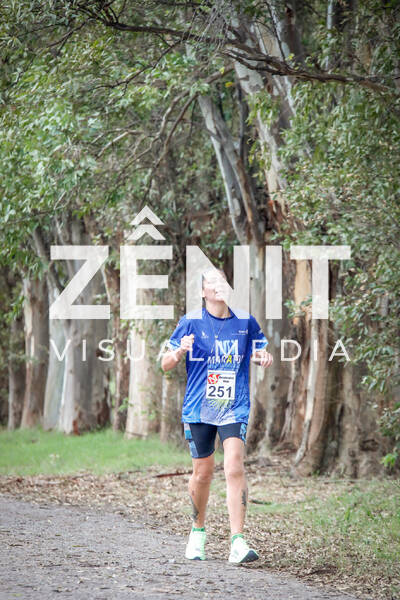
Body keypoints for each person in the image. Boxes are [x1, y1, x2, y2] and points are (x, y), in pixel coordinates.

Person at [161, 268, 273, 564]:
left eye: (222, 280)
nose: (218, 285)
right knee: (203, 473)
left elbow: (258, 352)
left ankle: (238, 541)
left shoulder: (245, 322)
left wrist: (262, 357)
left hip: (234, 405)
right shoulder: (190, 322)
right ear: (203, 292)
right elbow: (165, 363)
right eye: (211, 282)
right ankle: (197, 532)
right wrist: (179, 352)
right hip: (199, 407)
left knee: (234, 466)